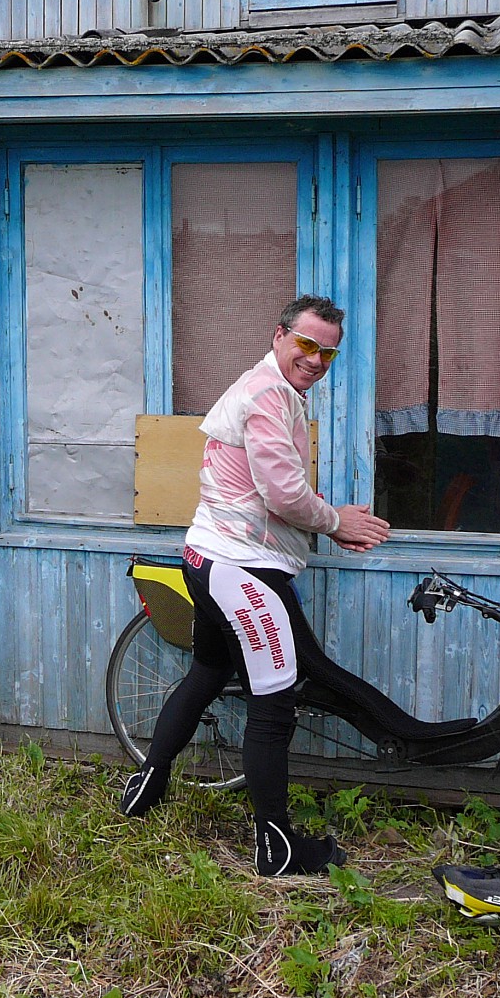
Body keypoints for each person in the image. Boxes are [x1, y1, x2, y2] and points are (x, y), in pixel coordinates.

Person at [119, 294, 390, 876]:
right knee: (273, 711)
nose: (316, 360)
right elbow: (284, 494)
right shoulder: (271, 397)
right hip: (242, 571)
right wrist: (338, 522)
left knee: (207, 674)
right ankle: (278, 848)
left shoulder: (260, 384)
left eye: (329, 353)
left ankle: (147, 784)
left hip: (206, 558)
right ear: (280, 336)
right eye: (308, 345)